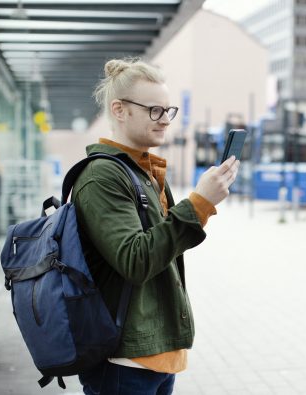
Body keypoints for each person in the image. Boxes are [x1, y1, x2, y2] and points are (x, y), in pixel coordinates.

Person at [71, 57, 240, 394]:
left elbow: (162, 245)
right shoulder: (102, 176)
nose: (165, 120)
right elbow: (135, 259)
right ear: (120, 110)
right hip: (124, 363)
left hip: (155, 354)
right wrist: (199, 203)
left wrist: (199, 204)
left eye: (168, 110)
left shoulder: (142, 172)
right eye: (154, 111)